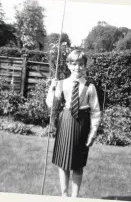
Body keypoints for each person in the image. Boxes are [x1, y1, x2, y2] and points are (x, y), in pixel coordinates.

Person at [46, 49, 101, 197]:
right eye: (74, 64)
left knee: (78, 164)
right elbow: (52, 105)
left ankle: (74, 197)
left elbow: (95, 111)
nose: (78, 67)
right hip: (65, 121)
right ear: (69, 65)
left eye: (81, 64)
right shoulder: (62, 84)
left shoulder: (90, 86)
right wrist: (51, 89)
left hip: (82, 125)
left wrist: (93, 133)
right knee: (63, 162)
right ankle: (64, 195)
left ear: (85, 66)